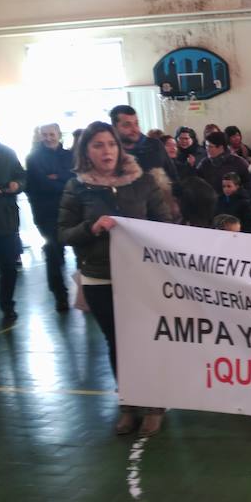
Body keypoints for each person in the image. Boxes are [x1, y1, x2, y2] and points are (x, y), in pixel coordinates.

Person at [58, 121, 172, 437]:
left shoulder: (143, 182)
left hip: (142, 278)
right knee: (116, 341)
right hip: (99, 277)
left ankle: (154, 404)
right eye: (97, 145)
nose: (106, 151)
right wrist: (91, 227)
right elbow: (63, 233)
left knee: (146, 340)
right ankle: (128, 402)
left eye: (110, 144)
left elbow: (165, 224)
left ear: (119, 148)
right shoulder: (76, 187)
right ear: (86, 152)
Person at [25, 123, 73, 311]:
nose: (48, 138)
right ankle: (59, 295)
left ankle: (86, 291)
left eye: (51, 134)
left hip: (70, 210)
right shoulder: (33, 158)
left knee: (81, 252)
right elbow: (41, 183)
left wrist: (56, 177)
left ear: (59, 135)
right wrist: (62, 180)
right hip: (46, 213)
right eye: (44, 134)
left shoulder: (69, 156)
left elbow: (74, 178)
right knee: (53, 254)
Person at [0, 115, 25, 326]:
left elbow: (22, 176)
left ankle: (7, 305)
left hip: (6, 215)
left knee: (9, 266)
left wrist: (17, 185)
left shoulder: (8, 153)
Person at [109, 105, 177, 181]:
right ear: (114, 128)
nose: (135, 129)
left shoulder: (155, 145)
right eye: (127, 125)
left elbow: (172, 176)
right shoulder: (112, 153)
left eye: (136, 123)